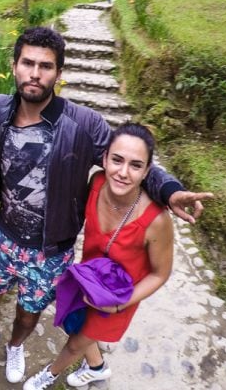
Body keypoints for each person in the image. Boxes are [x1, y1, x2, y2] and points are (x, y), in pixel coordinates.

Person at [0, 27, 210, 384]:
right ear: (14, 66)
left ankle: (15, 344)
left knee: (29, 313)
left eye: (45, 66)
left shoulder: (83, 123)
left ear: (58, 74)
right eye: (27, 63)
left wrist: (170, 191)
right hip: (2, 233)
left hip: (52, 248)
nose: (35, 72)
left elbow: (127, 156)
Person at [22, 123, 174, 389]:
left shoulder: (156, 221)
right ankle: (97, 367)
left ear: (147, 171)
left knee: (74, 343)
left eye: (136, 165)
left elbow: (161, 273)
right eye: (117, 160)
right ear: (104, 159)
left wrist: (118, 305)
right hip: (88, 278)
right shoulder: (97, 183)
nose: (123, 173)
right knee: (75, 324)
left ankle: (50, 374)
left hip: (120, 295)